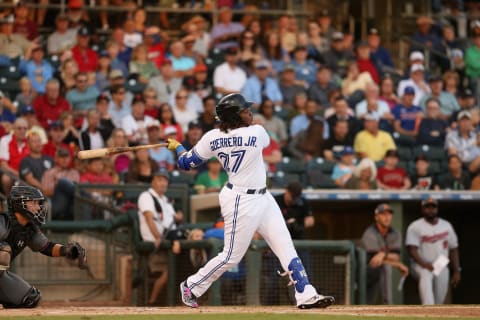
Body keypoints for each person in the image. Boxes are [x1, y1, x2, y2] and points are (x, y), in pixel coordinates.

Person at [167, 93, 334, 309]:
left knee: (285, 244)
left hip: (263, 197)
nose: (250, 113)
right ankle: (191, 285)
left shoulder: (211, 137)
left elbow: (186, 163)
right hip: (240, 200)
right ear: (235, 116)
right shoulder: (258, 132)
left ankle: (305, 293)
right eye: (245, 111)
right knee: (231, 256)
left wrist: (178, 147)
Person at [0, 185, 87, 308]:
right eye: (33, 203)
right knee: (3, 249)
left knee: (31, 298)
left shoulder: (29, 229)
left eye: (38, 203)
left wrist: (67, 250)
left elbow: (47, 247)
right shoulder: (3, 221)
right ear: (19, 204)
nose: (38, 207)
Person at [137, 169, 184, 305]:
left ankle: (173, 299)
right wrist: (158, 237)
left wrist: (178, 218)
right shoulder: (146, 196)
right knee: (170, 271)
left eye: (164, 180)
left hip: (170, 238)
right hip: (156, 242)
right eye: (159, 179)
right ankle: (152, 301)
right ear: (152, 181)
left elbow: (171, 221)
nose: (162, 183)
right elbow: (148, 219)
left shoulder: (165, 200)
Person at [406, 197, 461, 305]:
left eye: (433, 207)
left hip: (440, 263)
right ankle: (428, 309)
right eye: (427, 207)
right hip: (420, 263)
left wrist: (457, 270)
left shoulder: (446, 225)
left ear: (437, 209)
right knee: (425, 275)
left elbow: (453, 249)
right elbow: (411, 249)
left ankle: (435, 312)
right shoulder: (415, 226)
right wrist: (425, 264)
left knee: (440, 297)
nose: (430, 210)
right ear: (422, 209)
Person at [361, 203, 408, 304]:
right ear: (376, 217)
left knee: (369, 304)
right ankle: (388, 304)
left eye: (389, 214)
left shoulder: (395, 233)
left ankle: (386, 305)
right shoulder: (370, 233)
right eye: (383, 214)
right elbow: (374, 261)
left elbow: (395, 257)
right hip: (363, 271)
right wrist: (398, 265)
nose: (387, 217)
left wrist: (383, 254)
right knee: (384, 268)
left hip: (378, 271)